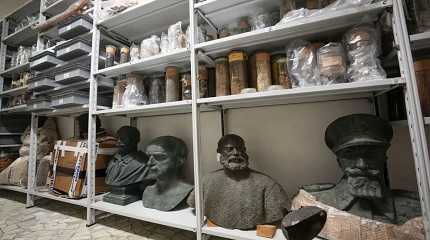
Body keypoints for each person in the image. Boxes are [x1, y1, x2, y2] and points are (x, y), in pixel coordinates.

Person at [292, 114, 423, 240]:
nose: (362, 165)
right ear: (339, 162)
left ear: (384, 158)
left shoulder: (415, 207)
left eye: (371, 154)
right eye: (350, 155)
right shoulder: (313, 203)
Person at [187, 134, 289, 230]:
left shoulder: (268, 185)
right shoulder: (207, 181)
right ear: (219, 153)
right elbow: (194, 203)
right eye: (229, 149)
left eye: (240, 148)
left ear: (245, 152)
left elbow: (277, 214)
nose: (236, 153)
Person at [142, 136, 193, 211]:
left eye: (159, 157)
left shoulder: (188, 191)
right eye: (148, 157)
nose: (149, 163)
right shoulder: (148, 191)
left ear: (179, 161)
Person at [104, 126, 149, 205]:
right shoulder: (113, 160)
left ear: (136, 140)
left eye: (123, 138)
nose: (118, 142)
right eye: (117, 138)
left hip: (130, 194)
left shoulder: (144, 163)